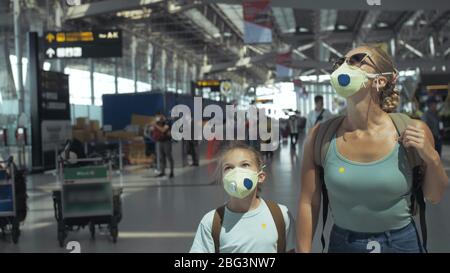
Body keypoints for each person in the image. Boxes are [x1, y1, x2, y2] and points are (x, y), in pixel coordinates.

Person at [297, 45, 448, 253]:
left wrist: (433, 159)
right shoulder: (320, 137)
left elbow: (434, 196)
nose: (345, 66)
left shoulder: (412, 130)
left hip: (402, 244)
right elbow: (308, 202)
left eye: (357, 59)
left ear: (380, 80)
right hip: (343, 245)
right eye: (341, 61)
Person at [190, 143, 296, 253]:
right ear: (223, 180)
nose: (236, 172)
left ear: (260, 176)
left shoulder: (281, 215)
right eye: (229, 167)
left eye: (245, 165)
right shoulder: (211, 222)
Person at [153, 113, 174, 178]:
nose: (158, 118)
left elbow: (163, 130)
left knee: (169, 156)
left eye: (159, 116)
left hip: (166, 142)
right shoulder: (157, 122)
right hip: (159, 141)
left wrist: (155, 125)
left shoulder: (167, 122)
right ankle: (162, 171)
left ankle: (171, 172)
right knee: (161, 158)